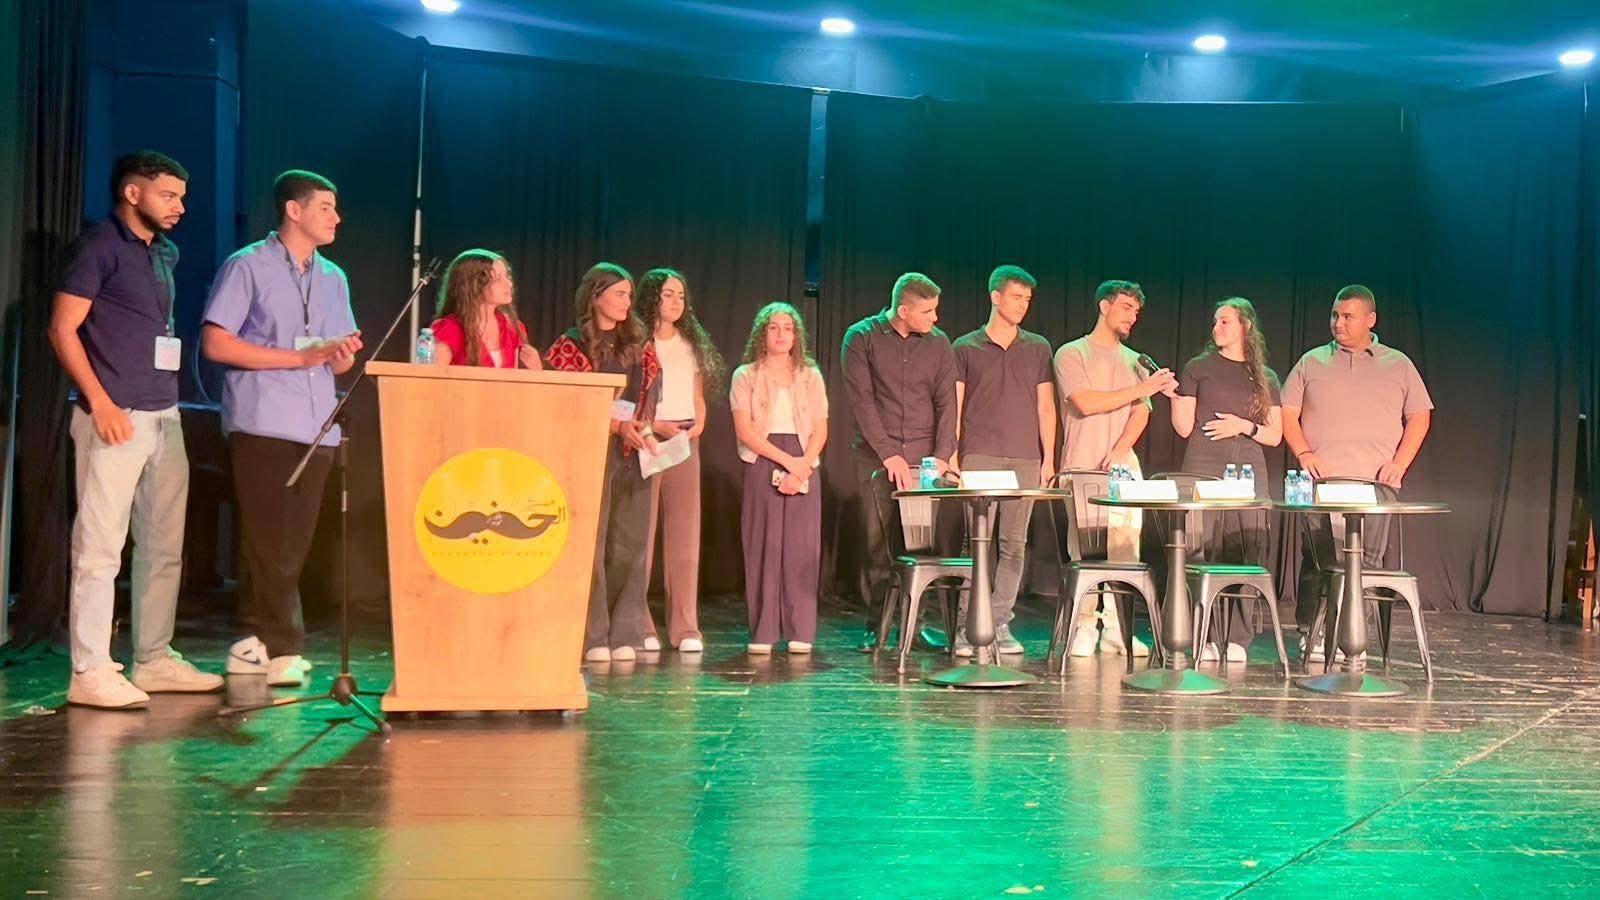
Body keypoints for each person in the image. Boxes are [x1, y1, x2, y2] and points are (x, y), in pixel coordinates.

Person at [48, 150, 223, 708]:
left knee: (164, 545)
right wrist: (100, 402)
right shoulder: (98, 247)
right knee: (100, 548)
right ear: (132, 193)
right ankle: (90, 669)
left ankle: (153, 657)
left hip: (164, 413)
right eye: (168, 195)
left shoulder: (163, 251)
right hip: (114, 415)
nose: (180, 207)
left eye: (181, 197)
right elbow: (62, 329)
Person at [202, 170, 363, 687]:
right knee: (270, 540)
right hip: (264, 420)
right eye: (325, 207)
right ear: (294, 210)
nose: (336, 218)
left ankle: (256, 642)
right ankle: (281, 645)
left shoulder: (334, 277)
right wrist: (296, 358)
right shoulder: (247, 265)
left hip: (317, 425)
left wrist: (339, 352)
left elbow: (339, 363)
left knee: (293, 543)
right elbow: (216, 344)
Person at [1281, 284, 1433, 658]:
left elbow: (1420, 415)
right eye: (1335, 315)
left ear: (1371, 319)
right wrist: (1303, 452)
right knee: (1319, 558)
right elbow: (1286, 412)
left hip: (1374, 484)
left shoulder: (1398, 364)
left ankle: (1353, 638)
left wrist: (1399, 463)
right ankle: (1312, 632)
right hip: (1323, 483)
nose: (1339, 323)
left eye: (1348, 316)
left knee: (1365, 563)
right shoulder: (1312, 361)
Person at [1054, 280, 1177, 657]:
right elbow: (1085, 402)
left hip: (1123, 468)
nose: (1132, 317)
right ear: (1104, 306)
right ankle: (1084, 625)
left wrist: (1121, 448)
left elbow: (1142, 412)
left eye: (1136, 311)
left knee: (1124, 550)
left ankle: (1116, 629)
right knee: (1086, 551)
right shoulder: (1071, 353)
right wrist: (1143, 389)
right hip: (1082, 464)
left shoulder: (1136, 360)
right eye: (1126, 307)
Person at [545, 263, 660, 663]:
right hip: (589, 453)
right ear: (596, 297)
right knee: (590, 543)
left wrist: (644, 430)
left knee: (631, 543)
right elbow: (565, 402)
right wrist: (615, 426)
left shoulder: (640, 345)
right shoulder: (571, 345)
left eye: (629, 295)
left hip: (633, 451)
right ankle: (593, 634)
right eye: (619, 294)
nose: (627, 302)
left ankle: (625, 630)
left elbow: (649, 397)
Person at [840, 272, 959, 652]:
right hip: (876, 457)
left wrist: (941, 457)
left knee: (919, 545)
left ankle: (914, 625)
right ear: (903, 311)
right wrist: (888, 453)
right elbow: (863, 402)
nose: (935, 318)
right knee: (877, 544)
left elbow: (947, 403)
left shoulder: (939, 344)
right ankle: (877, 624)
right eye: (928, 311)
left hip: (923, 458)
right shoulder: (861, 338)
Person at [950, 265, 1056, 657]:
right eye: (1016, 297)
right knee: (976, 542)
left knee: (1014, 543)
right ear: (995, 297)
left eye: (1028, 299)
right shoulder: (966, 347)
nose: (1023, 304)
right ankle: (967, 626)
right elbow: (955, 406)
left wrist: (1048, 458)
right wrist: (952, 455)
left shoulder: (1038, 347)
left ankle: (998, 622)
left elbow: (1046, 407)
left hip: (1025, 457)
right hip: (980, 455)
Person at [1171, 297, 1283, 663]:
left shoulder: (1265, 377)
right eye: (1215, 321)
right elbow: (1183, 427)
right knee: (1202, 549)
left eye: (1225, 322)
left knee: (1246, 549)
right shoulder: (1198, 367)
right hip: (1203, 463)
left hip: (1247, 469)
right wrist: (1174, 397)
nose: (1216, 328)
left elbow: (1275, 434)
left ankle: (1238, 637)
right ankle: (1204, 634)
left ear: (1245, 326)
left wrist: (1243, 425)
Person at [730, 302, 828, 655]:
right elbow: (745, 430)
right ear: (762, 333)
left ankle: (800, 628)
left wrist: (802, 467)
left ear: (796, 335)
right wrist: (788, 463)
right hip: (763, 459)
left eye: (788, 328)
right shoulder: (745, 375)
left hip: (804, 460)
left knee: (801, 548)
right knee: (764, 545)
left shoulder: (810, 375)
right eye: (774, 327)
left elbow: (820, 427)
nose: (781, 334)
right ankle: (764, 630)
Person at [637, 268, 724, 654]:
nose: (677, 302)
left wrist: (698, 424)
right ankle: (638, 623)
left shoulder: (690, 343)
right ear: (652, 297)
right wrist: (655, 425)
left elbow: (698, 394)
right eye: (668, 294)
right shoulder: (638, 339)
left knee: (685, 537)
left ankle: (685, 627)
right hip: (647, 437)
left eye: (681, 296)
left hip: (685, 440)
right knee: (641, 534)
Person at [429, 249, 542, 369]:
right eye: (497, 279)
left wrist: (536, 369)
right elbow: (433, 377)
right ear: (473, 285)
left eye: (507, 276)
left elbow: (511, 379)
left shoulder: (512, 328)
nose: (509, 284)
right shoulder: (449, 329)